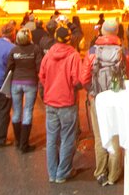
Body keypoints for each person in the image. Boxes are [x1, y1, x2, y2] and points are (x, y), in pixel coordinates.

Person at [38, 26, 90, 183]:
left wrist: (51, 87)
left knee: (52, 138)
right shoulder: (73, 55)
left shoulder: (49, 54)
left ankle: (52, 173)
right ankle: (63, 172)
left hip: (51, 102)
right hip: (67, 101)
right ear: (70, 39)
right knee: (68, 137)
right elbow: (77, 80)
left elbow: (42, 76)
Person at [84, 19, 124, 186]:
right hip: (116, 98)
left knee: (100, 136)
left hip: (98, 98)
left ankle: (100, 172)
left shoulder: (93, 51)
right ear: (117, 32)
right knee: (115, 135)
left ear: (102, 31)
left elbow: (84, 76)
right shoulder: (123, 51)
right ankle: (114, 174)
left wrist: (91, 92)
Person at [6, 27, 40, 153]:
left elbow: (9, 67)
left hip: (16, 82)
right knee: (28, 111)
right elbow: (39, 66)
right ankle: (24, 145)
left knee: (16, 111)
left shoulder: (14, 50)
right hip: (30, 82)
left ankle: (18, 140)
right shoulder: (35, 49)